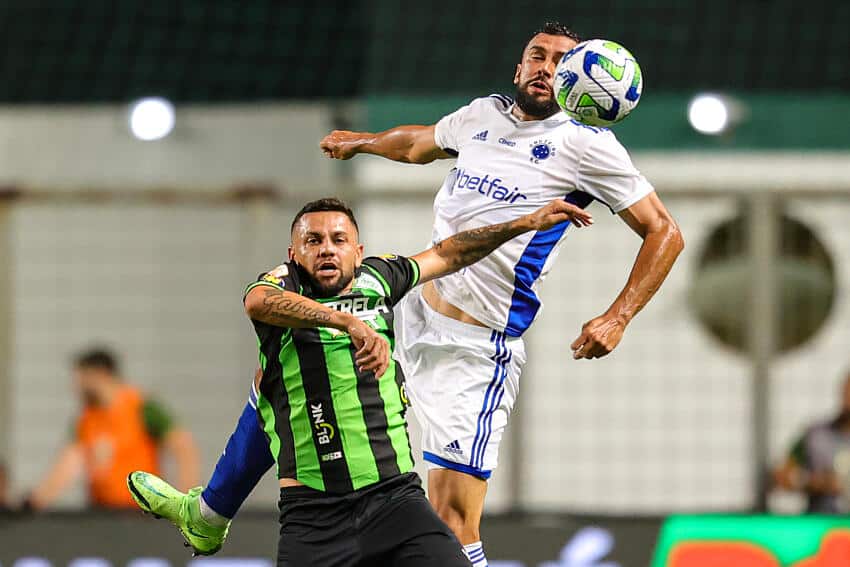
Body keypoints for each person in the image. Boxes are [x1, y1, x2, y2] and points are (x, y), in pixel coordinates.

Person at [131, 21, 684, 566]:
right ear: (520, 67)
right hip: (410, 311)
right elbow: (420, 144)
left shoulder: (590, 147)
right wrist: (364, 143)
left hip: (472, 348)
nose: (547, 67)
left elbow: (665, 231)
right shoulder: (483, 116)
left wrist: (618, 316)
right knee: (283, 370)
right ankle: (208, 516)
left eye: (564, 59)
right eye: (537, 55)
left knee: (449, 519)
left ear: (581, 80)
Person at [128, 196, 593, 565]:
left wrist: (521, 224)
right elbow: (257, 303)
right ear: (294, 254)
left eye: (338, 239)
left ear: (358, 251)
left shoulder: (380, 278)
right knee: (270, 384)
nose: (326, 248)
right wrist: (347, 324)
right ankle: (208, 513)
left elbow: (450, 253)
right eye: (313, 241)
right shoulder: (283, 288)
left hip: (394, 500)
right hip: (313, 519)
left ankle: (208, 513)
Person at [26, 348, 199, 509]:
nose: (76, 387)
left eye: (81, 378)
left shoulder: (141, 407)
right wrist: (36, 501)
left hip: (140, 513)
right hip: (103, 512)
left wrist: (185, 502)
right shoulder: (87, 419)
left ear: (101, 375)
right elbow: (69, 464)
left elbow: (182, 446)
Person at [773, 371, 850, 513]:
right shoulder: (816, 436)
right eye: (847, 392)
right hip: (822, 525)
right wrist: (815, 482)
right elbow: (781, 476)